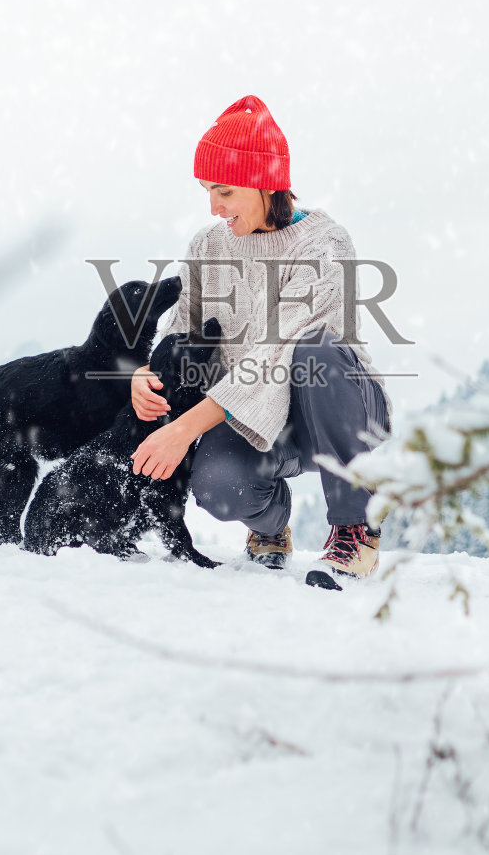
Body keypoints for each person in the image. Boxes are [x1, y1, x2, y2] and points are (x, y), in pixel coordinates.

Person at [128, 94, 394, 590]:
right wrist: (147, 373)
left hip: (339, 406)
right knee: (218, 487)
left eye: (224, 191)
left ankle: (356, 530)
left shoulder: (324, 245)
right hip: (254, 413)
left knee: (314, 350)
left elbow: (275, 353)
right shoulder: (209, 246)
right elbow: (183, 328)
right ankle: (271, 530)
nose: (213, 206)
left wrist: (184, 429)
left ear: (265, 183)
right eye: (208, 191)